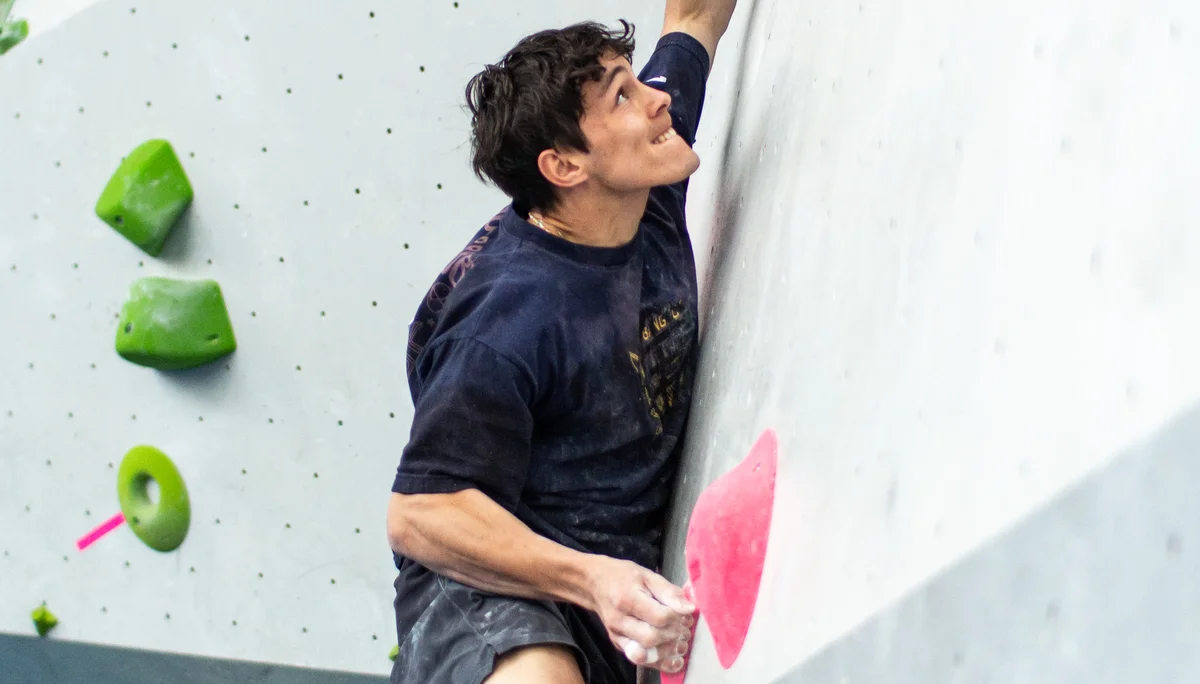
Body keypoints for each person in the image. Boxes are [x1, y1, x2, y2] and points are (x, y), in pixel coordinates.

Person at [386, 2, 737, 682]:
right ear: (566, 166)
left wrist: (601, 581)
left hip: (597, 577)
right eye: (623, 97)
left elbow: (692, 18)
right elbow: (419, 513)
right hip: (489, 578)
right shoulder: (506, 320)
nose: (656, 100)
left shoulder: (637, 180)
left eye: (635, 81)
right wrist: (592, 578)